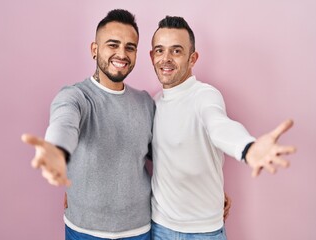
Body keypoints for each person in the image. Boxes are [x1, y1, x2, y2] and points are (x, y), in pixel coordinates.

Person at [149, 16, 297, 240]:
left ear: (192, 58)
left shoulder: (205, 96)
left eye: (176, 51)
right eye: (159, 50)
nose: (166, 58)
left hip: (204, 233)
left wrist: (248, 148)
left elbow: (219, 125)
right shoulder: (154, 102)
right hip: (159, 227)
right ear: (152, 56)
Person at [22, 9, 154, 240]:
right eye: (112, 45)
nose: (121, 54)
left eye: (130, 47)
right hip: (84, 230)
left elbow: (166, 156)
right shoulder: (75, 97)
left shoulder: (145, 102)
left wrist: (205, 189)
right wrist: (57, 150)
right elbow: (64, 122)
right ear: (95, 50)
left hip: (139, 230)